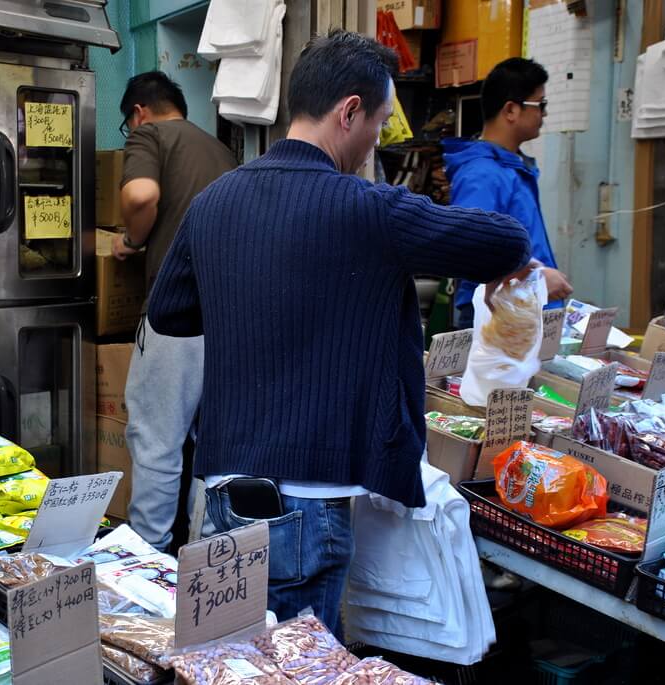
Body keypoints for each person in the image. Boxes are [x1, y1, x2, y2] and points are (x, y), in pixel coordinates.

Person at [147, 31, 533, 637]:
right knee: (302, 667)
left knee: (230, 663)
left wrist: (247, 306)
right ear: (349, 110)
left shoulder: (213, 203)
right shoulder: (370, 208)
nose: (375, 141)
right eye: (378, 123)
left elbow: (168, 311)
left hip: (221, 495)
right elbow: (505, 241)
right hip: (306, 506)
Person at [111, 71, 237, 551]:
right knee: (211, 448)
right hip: (227, 317)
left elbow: (141, 195)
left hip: (175, 313)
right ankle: (204, 556)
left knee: (158, 443)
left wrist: (131, 239)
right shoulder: (222, 151)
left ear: (139, 112)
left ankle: (148, 559)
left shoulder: (149, 135)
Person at [444, 57, 573, 329]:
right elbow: (470, 250)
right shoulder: (482, 174)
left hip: (522, 313)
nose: (544, 115)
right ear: (511, 110)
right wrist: (537, 278)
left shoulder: (512, 168)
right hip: (497, 320)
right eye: (541, 105)